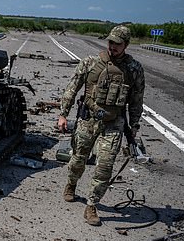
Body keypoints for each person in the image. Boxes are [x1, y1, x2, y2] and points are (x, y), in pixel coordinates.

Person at [57, 25, 145, 226]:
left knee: (105, 167)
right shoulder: (90, 63)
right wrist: (63, 114)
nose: (112, 47)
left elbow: (137, 99)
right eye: (110, 42)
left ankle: (91, 205)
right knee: (78, 159)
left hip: (114, 123)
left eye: (117, 44)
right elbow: (73, 87)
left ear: (126, 45)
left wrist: (134, 125)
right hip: (88, 120)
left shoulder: (133, 69)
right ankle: (71, 184)